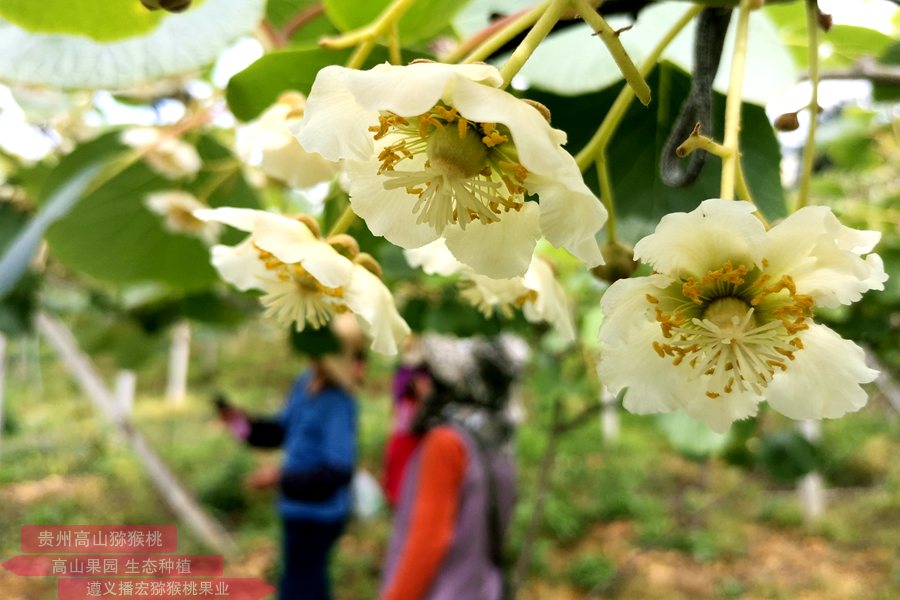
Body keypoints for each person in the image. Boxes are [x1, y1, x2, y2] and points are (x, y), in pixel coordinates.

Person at [216, 314, 366, 600]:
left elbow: (338, 470)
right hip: (295, 509)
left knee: (299, 585)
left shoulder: (338, 401)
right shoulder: (305, 382)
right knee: (308, 581)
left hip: (319, 515)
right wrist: (240, 423)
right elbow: (281, 431)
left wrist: (280, 477)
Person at [379, 334, 526, 600]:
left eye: (430, 374)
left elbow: (428, 542)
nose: (419, 383)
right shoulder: (498, 436)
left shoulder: (446, 443)